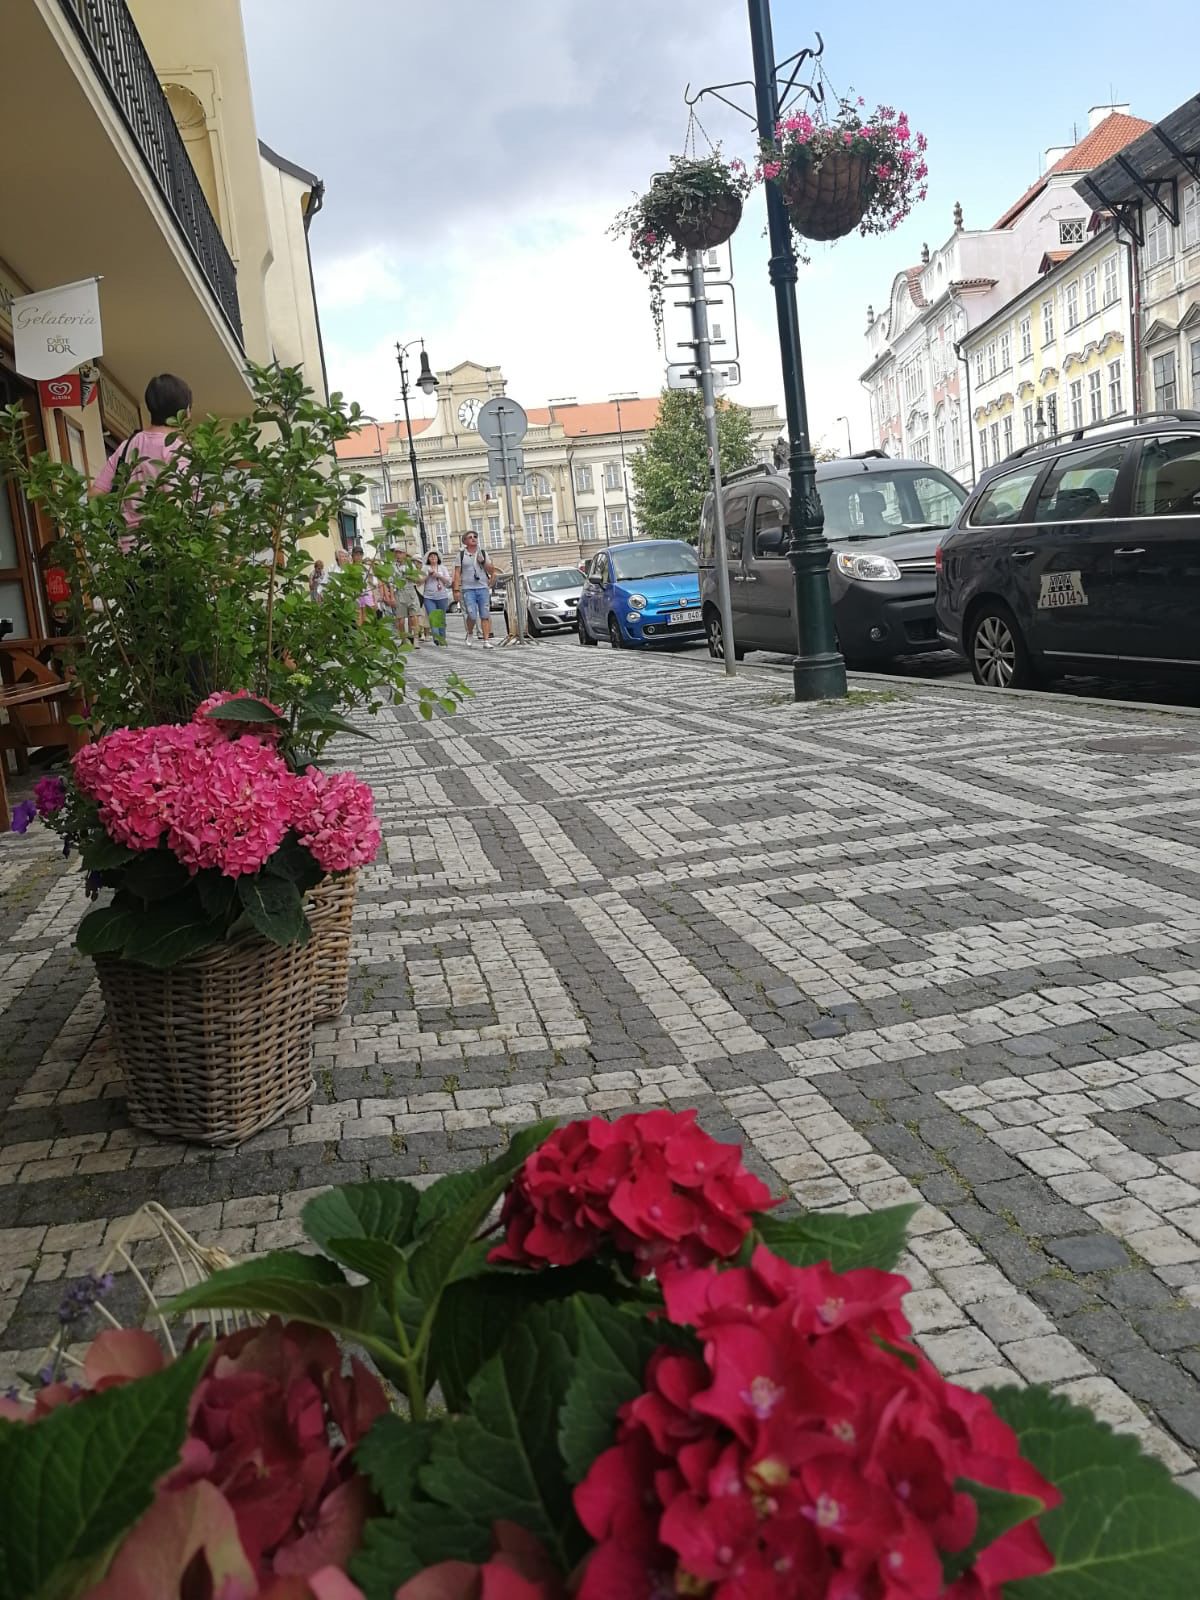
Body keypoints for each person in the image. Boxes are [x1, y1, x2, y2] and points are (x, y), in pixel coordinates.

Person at [90, 373, 192, 553]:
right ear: (184, 412)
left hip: (128, 555)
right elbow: (183, 507)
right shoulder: (179, 450)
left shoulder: (128, 445)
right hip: (166, 555)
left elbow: (95, 495)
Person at [453, 530, 496, 648]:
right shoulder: (461, 555)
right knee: (471, 615)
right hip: (468, 588)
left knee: (485, 614)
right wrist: (456, 590)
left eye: (475, 537)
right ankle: (470, 633)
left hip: (482, 587)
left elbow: (491, 570)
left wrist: (483, 562)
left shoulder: (482, 552)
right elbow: (457, 573)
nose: (473, 539)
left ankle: (486, 640)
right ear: (465, 541)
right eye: (470, 537)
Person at [421, 550, 450, 645]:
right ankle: (436, 637)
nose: (433, 558)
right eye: (431, 556)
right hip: (429, 596)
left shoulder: (443, 568)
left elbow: (448, 582)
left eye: (435, 556)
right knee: (433, 617)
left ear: (438, 558)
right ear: (428, 558)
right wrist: (427, 575)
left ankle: (442, 637)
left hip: (442, 596)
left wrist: (439, 575)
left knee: (441, 617)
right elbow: (419, 581)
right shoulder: (425, 568)